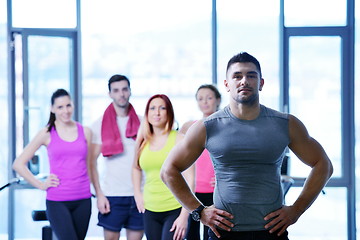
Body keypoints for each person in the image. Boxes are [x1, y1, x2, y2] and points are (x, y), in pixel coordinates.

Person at [160, 52, 334, 240]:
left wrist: (297, 210)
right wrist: (199, 211)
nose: (244, 81)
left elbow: (323, 165)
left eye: (251, 75)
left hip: (272, 232)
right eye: (237, 76)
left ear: (261, 83)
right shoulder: (207, 126)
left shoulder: (285, 123)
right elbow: (168, 170)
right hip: (224, 233)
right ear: (227, 84)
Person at [13, 89, 93, 240]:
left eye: (68, 105)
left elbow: (89, 166)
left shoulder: (86, 132)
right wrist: (41, 184)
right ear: (52, 108)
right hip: (58, 201)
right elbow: (18, 164)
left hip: (83, 199)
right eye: (60, 107)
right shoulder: (47, 133)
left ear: (73, 105)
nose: (65, 111)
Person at [89, 74, 144, 240]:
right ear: (110, 94)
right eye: (116, 90)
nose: (121, 94)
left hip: (139, 194)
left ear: (130, 91)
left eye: (124, 89)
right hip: (112, 195)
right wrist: (99, 194)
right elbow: (91, 162)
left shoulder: (143, 123)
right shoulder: (98, 125)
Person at [132, 94, 192, 240]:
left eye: (162, 108)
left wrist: (184, 216)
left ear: (169, 112)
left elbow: (190, 179)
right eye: (152, 108)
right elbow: (135, 167)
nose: (156, 112)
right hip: (150, 209)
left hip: (175, 209)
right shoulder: (142, 141)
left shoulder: (179, 139)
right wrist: (137, 194)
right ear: (147, 114)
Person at [180, 84, 221, 240]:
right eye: (200, 99)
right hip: (193, 192)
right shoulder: (189, 127)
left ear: (217, 100)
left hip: (215, 192)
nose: (205, 102)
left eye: (209, 98)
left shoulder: (224, 125)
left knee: (213, 235)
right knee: (191, 235)